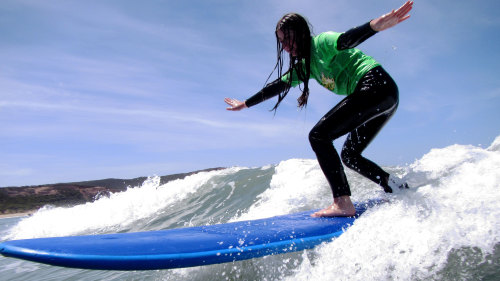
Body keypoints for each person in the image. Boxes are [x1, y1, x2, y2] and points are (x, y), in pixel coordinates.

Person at [225, 1, 413, 217]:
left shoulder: (322, 43)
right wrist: (245, 104)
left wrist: (374, 26)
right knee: (350, 155)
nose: (285, 46)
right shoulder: (305, 67)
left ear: (300, 32)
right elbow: (277, 85)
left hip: (375, 85)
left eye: (287, 39)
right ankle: (395, 186)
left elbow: (345, 40)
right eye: (281, 42)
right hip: (385, 96)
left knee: (319, 135)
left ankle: (342, 203)